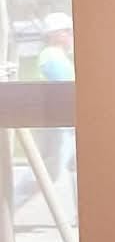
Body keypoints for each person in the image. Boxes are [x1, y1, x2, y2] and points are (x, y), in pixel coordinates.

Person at [12, 12, 77, 219]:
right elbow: (65, 88)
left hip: (64, 126)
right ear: (56, 35)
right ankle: (7, 208)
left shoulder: (55, 56)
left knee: (75, 166)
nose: (71, 35)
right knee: (44, 175)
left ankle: (83, 213)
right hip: (57, 128)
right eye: (67, 31)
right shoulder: (52, 57)